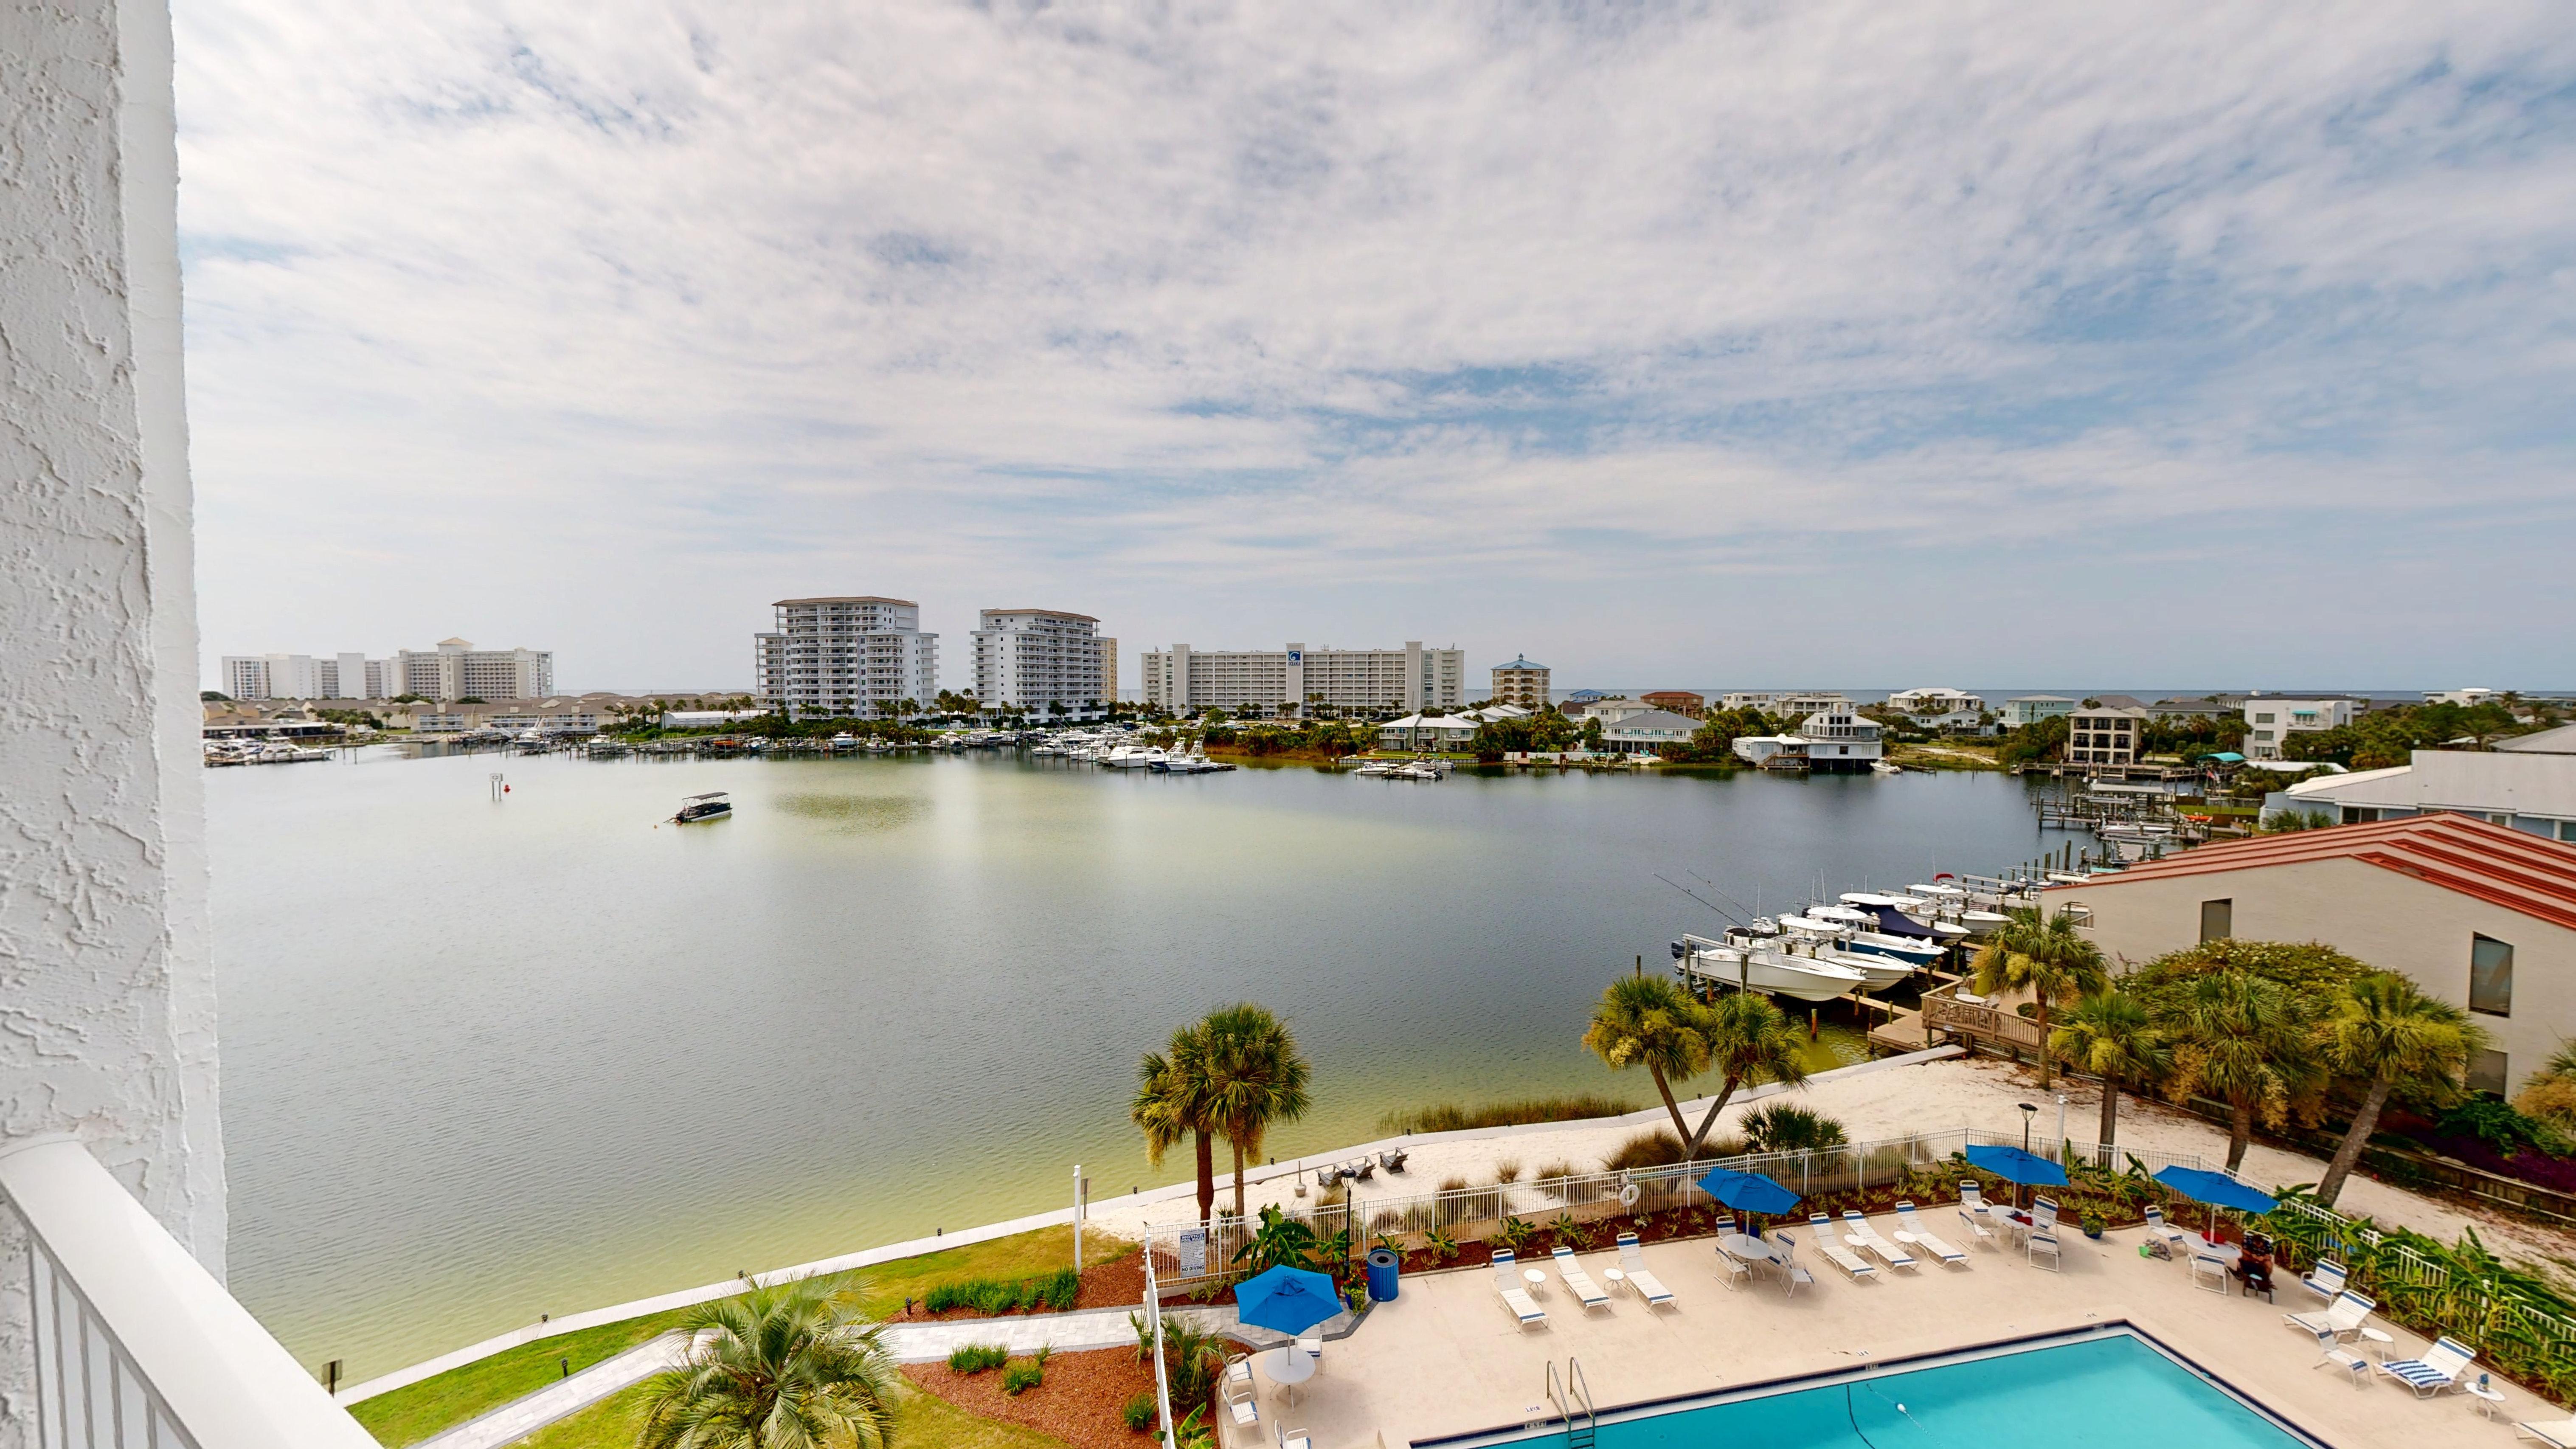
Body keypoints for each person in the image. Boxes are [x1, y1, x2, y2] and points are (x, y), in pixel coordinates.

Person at [2233, 1231, 2275, 1299]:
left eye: (2260, 1245)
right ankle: (2242, 1273)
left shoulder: (2267, 1245)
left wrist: (2263, 1257)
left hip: (2262, 1260)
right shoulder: (2249, 1242)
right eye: (2256, 1244)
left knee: (2269, 1265)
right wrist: (2251, 1254)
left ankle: (2266, 1280)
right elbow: (2243, 1249)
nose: (2258, 1246)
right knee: (2242, 1256)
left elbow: (2270, 1256)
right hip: (2251, 1259)